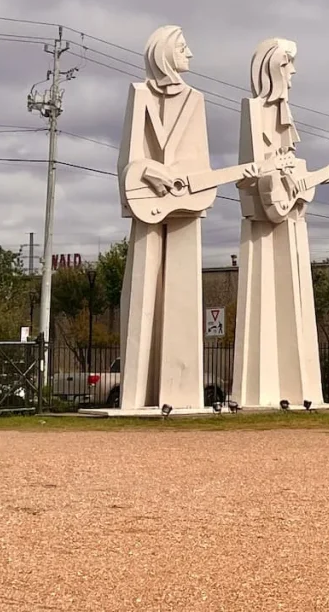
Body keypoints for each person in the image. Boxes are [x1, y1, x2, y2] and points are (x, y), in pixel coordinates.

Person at [232, 38, 329, 407]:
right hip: (264, 226)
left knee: (295, 301)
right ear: (271, 68)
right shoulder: (254, 111)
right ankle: (259, 392)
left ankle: (301, 393)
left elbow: (290, 173)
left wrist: (312, 180)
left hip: (292, 224)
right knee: (263, 304)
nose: (294, 71)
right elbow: (252, 174)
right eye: (287, 64)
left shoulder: (287, 118)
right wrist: (278, 184)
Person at [116, 25, 223, 409]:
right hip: (148, 201)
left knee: (183, 290)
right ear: (164, 53)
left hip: (185, 205)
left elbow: (201, 157)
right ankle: (134, 396)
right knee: (142, 284)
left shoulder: (196, 99)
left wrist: (193, 188)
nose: (190, 53)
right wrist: (147, 171)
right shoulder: (140, 93)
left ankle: (180, 395)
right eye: (182, 47)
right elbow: (128, 154)